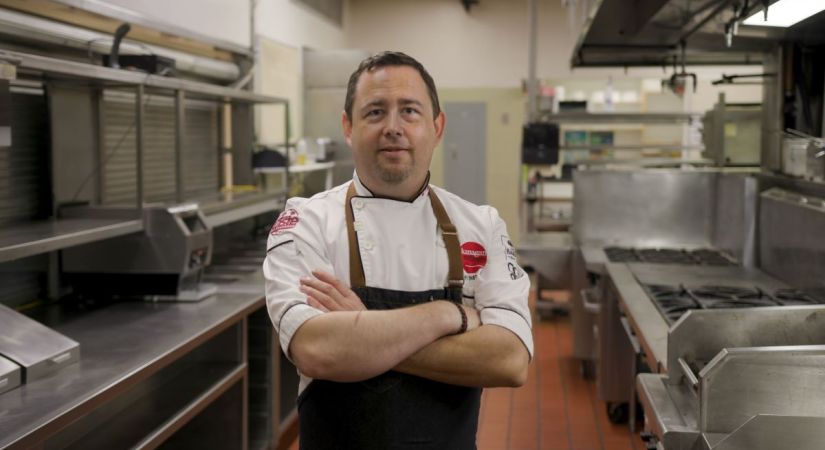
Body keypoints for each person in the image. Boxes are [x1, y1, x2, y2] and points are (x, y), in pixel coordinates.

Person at [263, 51, 532, 450]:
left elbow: (508, 360)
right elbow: (317, 350)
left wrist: (362, 329)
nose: (393, 127)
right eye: (374, 112)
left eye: (409, 111)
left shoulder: (481, 225)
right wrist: (449, 315)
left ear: (437, 128)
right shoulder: (307, 223)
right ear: (348, 127)